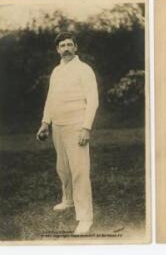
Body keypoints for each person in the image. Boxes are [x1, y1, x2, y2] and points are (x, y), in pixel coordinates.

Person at [36, 32, 99, 234]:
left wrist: (86, 127)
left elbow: (93, 100)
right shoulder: (56, 71)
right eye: (62, 45)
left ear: (75, 47)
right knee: (63, 168)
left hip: (76, 125)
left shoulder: (84, 69)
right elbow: (51, 99)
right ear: (57, 49)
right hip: (58, 126)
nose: (66, 48)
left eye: (69, 44)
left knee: (79, 171)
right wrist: (45, 123)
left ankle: (85, 218)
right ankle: (68, 200)